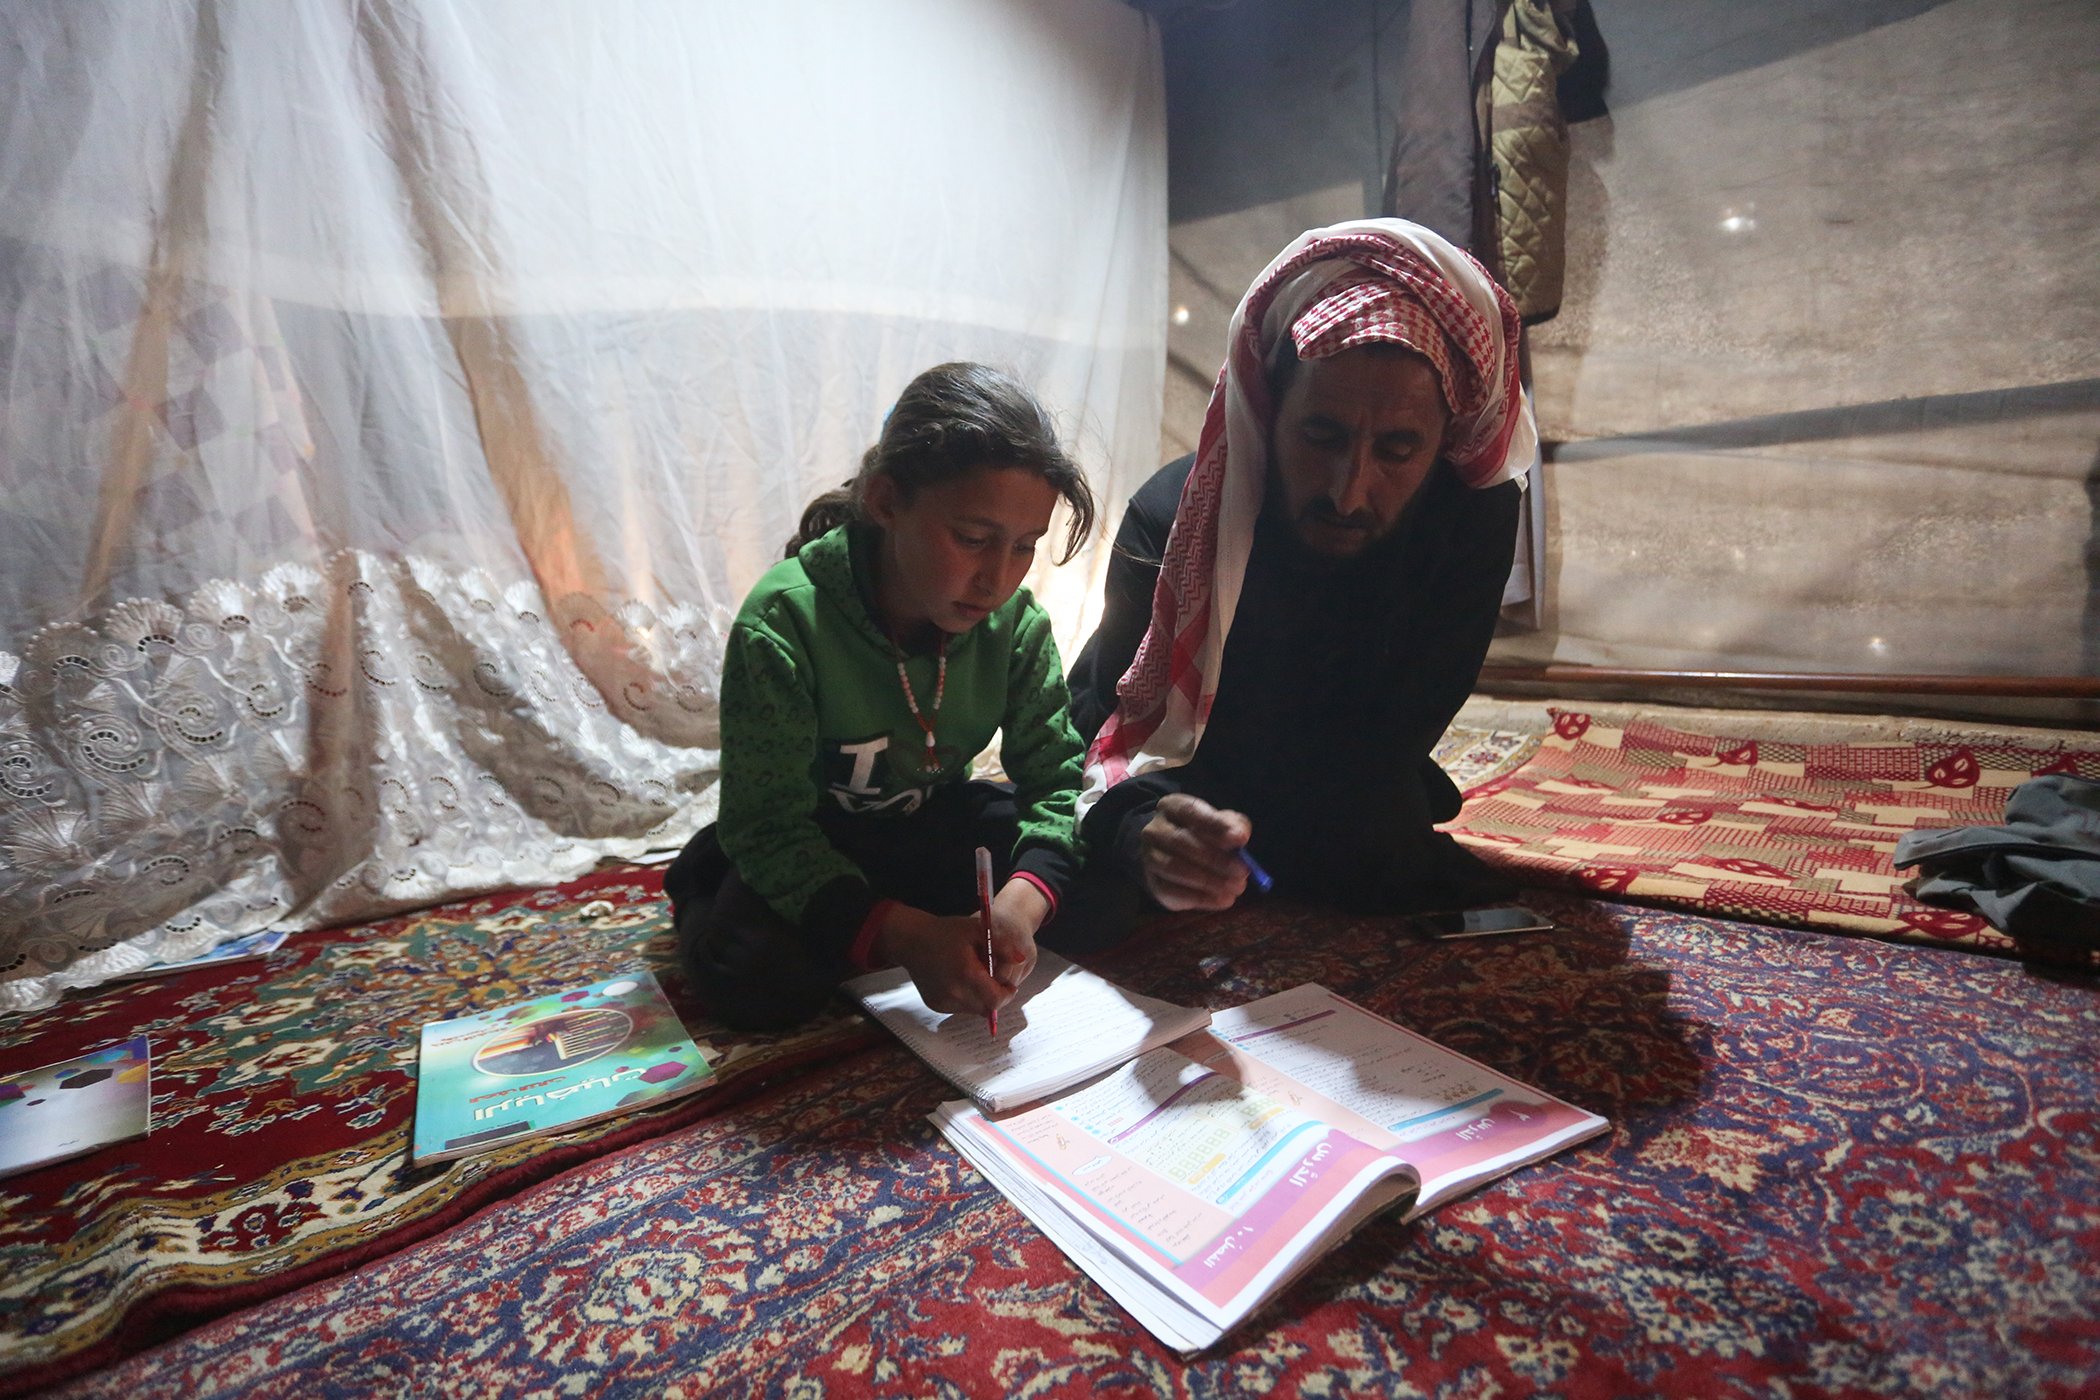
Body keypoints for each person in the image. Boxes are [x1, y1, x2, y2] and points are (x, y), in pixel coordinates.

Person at [1067, 218, 1535, 918]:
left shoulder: (1470, 519)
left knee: (1373, 841)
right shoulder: (1171, 522)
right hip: (1202, 780)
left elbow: (1394, 738)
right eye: (1322, 435)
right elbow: (1108, 722)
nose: (1349, 493)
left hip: (1349, 789)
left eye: (1398, 450)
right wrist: (1139, 830)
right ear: (1267, 410)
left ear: (1445, 441)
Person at [666, 362, 1096, 1032]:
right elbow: (771, 827)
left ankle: (906, 919)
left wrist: (1020, 907)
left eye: (1023, 547)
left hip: (927, 822)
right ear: (887, 501)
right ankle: (701, 879)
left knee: (1105, 892)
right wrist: (907, 937)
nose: (996, 580)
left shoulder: (1014, 627)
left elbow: (1053, 784)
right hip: (815, 835)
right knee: (758, 979)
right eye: (972, 539)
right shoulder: (784, 624)